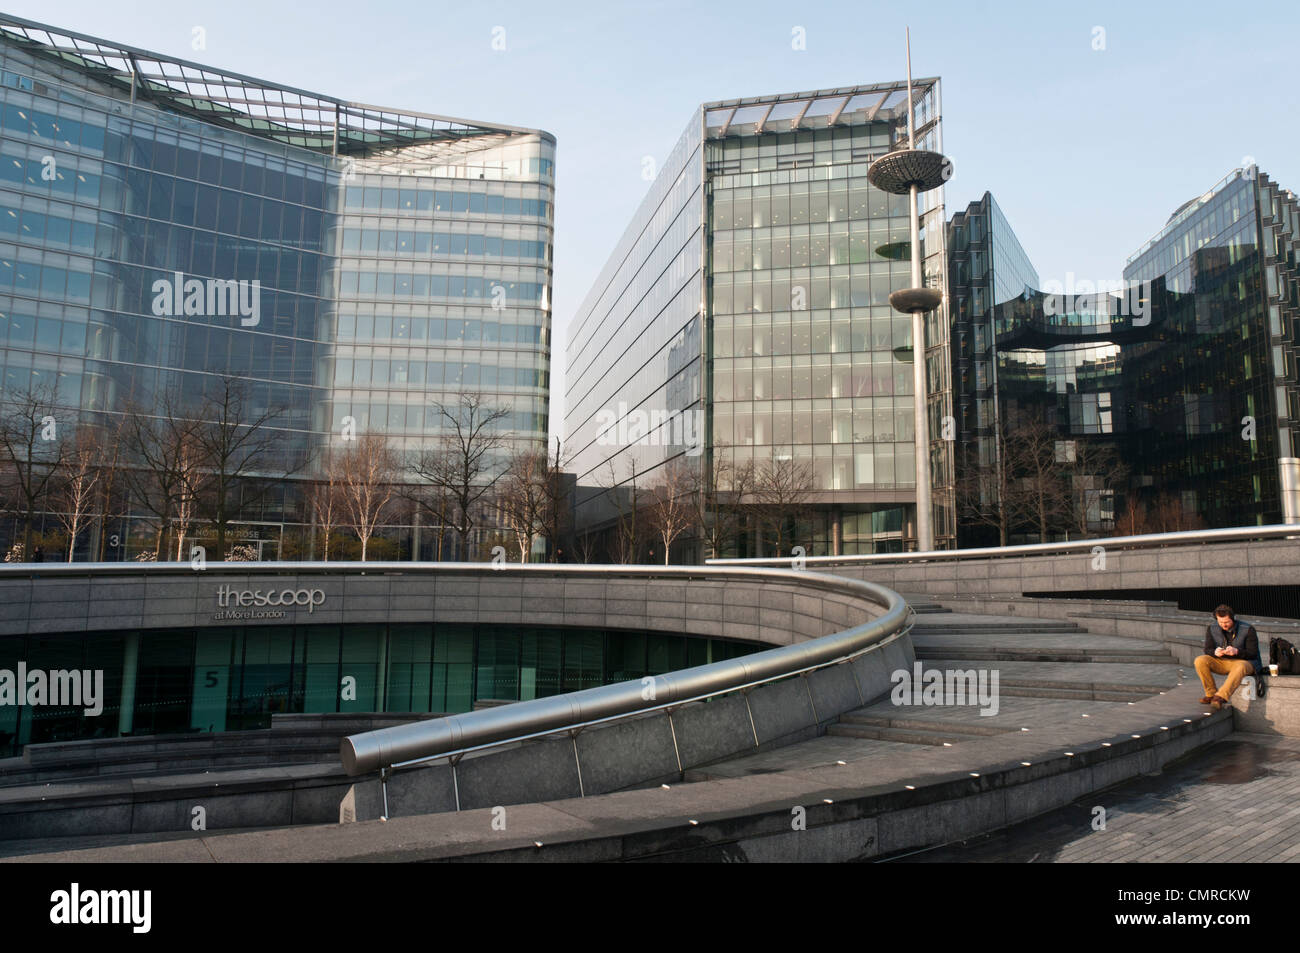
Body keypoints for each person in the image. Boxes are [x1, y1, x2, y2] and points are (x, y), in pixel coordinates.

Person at [1193, 605, 1262, 710]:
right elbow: (1207, 649)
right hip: (1223, 661)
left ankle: (1220, 697)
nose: (1223, 625)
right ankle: (1211, 694)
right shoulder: (1212, 628)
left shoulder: (1248, 629)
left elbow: (1253, 653)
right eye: (1220, 622)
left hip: (1245, 662)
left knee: (1240, 666)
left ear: (1233, 619)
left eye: (1226, 622)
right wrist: (1215, 652)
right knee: (1200, 660)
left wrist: (1237, 651)